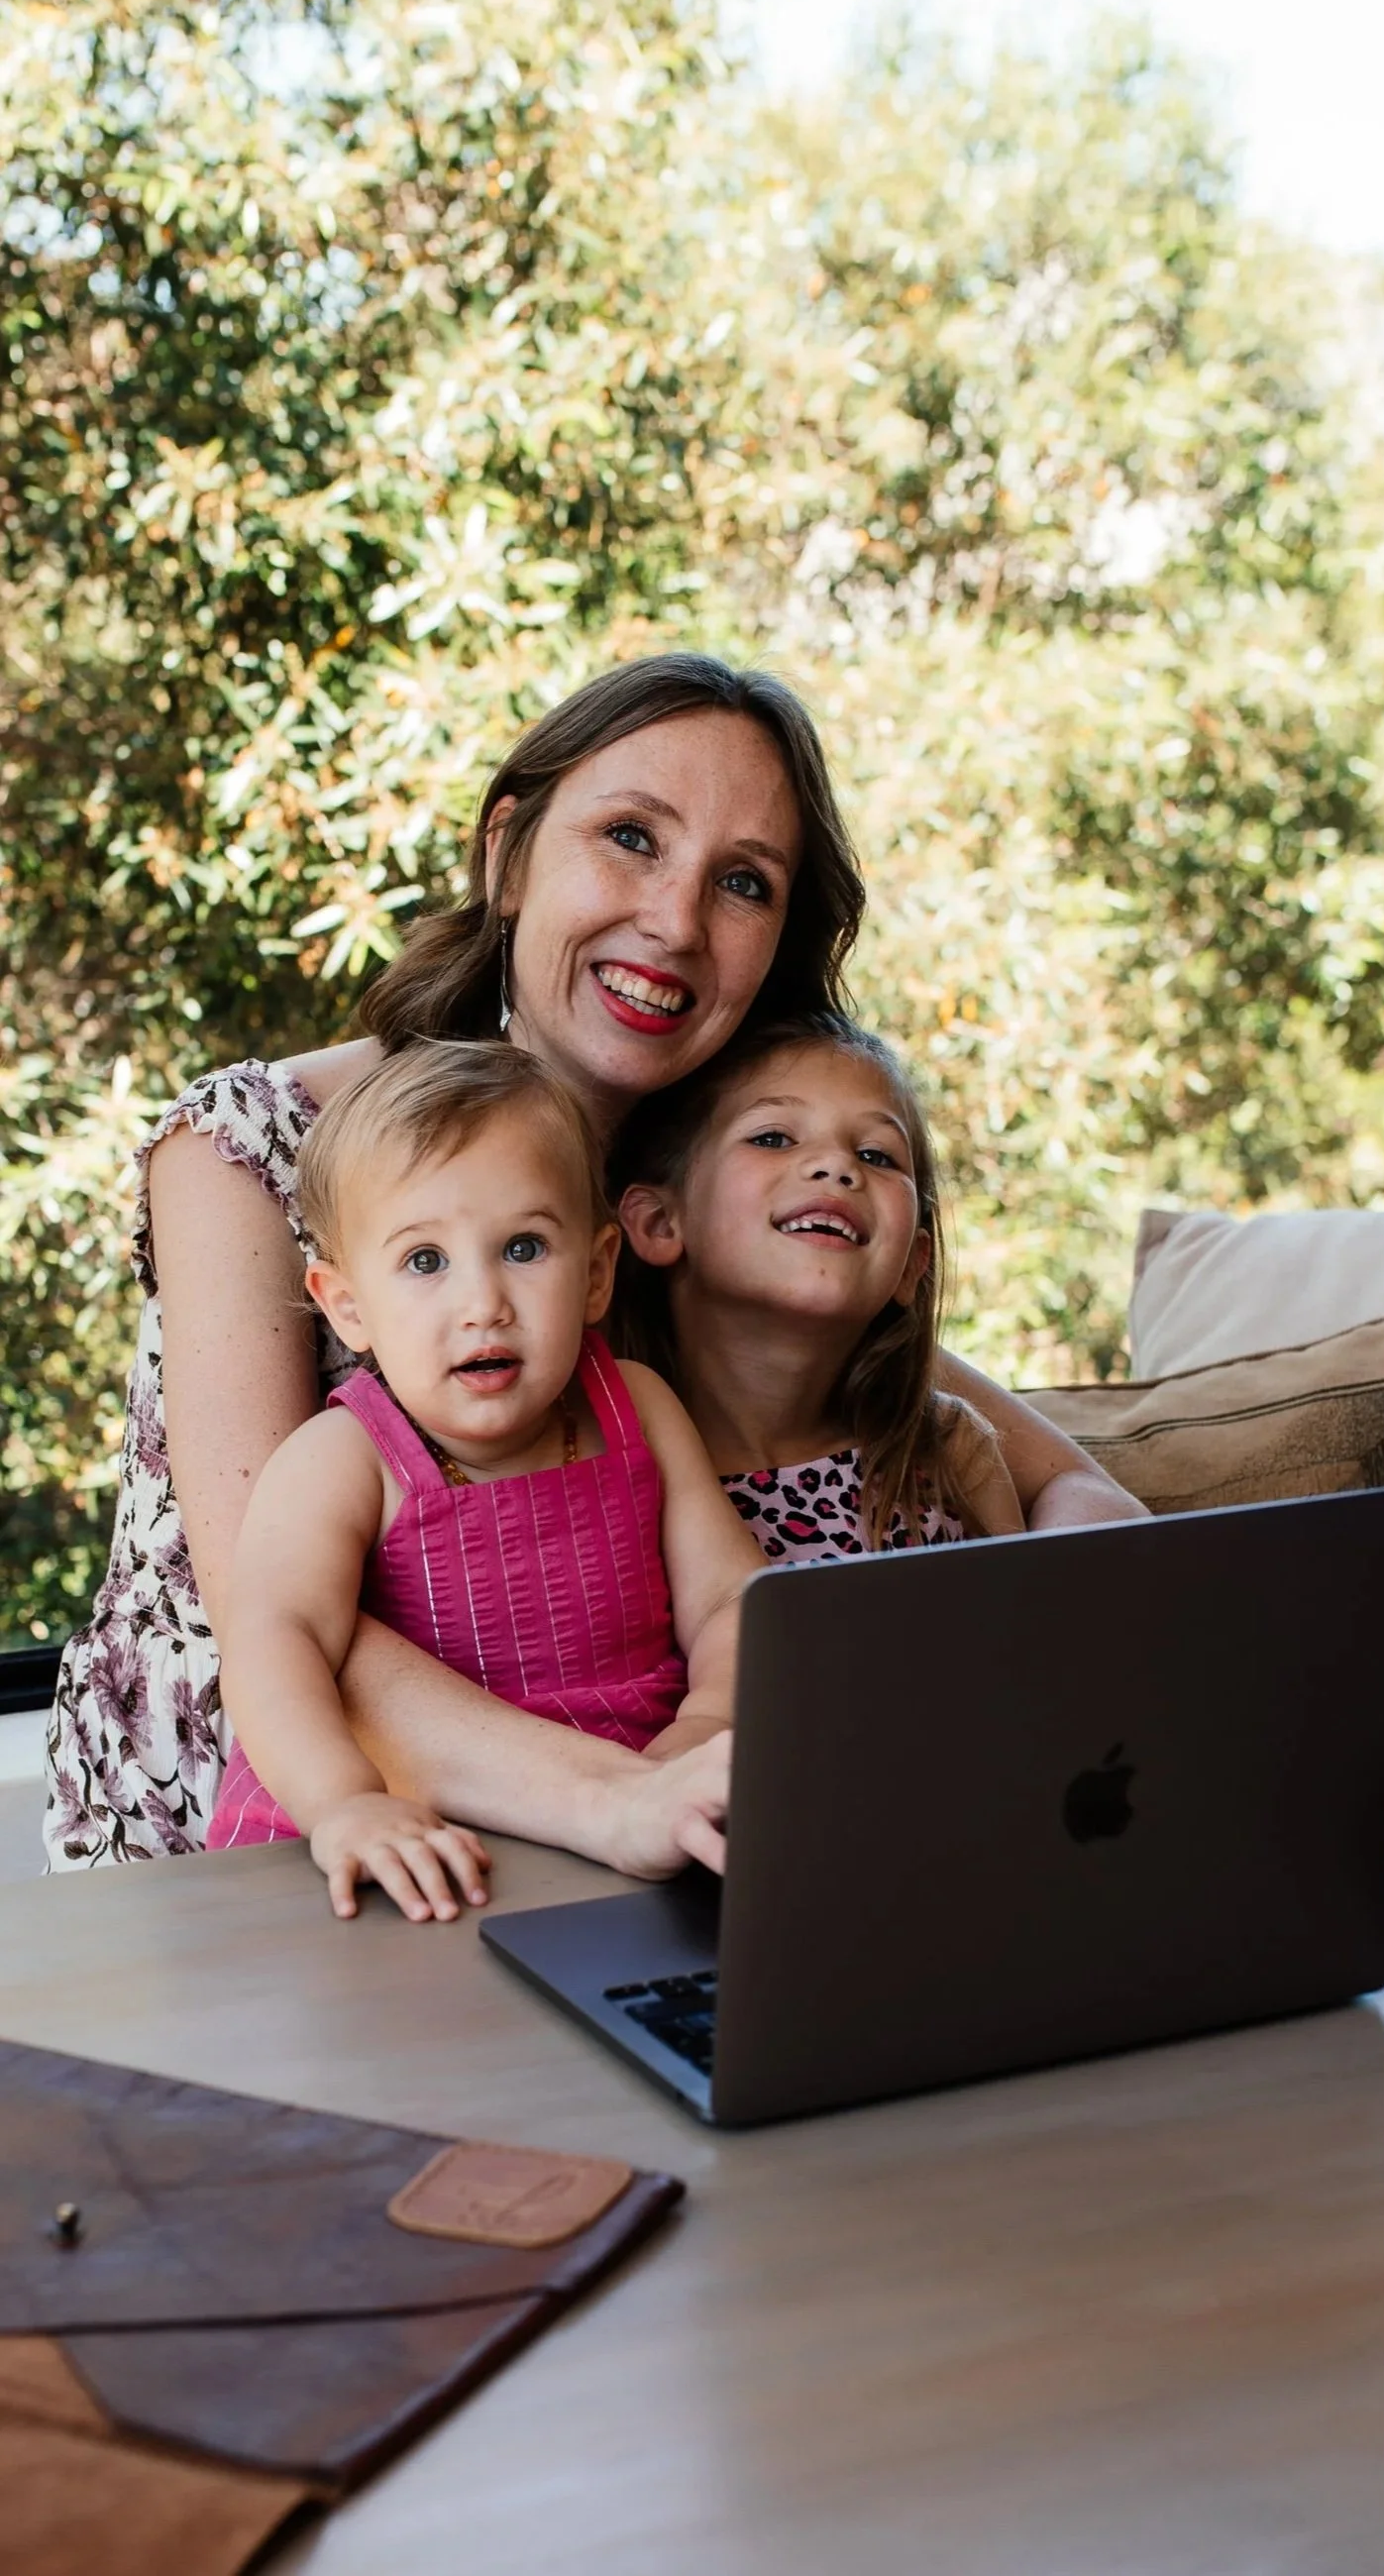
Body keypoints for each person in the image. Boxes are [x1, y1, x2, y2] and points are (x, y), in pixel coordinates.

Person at [46, 651, 1139, 1873]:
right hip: (268, 1833)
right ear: (509, 851)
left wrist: (1094, 1594)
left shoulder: (687, 1199)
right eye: (630, 837)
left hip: (616, 1811)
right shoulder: (249, 1149)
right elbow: (282, 1612)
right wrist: (631, 1801)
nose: (675, 922)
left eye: (741, 882)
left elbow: (1062, 1481)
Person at [207, 1041, 761, 1922]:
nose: (484, 1302)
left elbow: (731, 1599)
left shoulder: (640, 1410)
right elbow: (273, 1640)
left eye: (524, 1247)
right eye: (425, 1261)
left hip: (632, 1809)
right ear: (347, 1305)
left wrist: (708, 1722)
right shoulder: (342, 1459)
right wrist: (345, 1802)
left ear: (595, 1270)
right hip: (409, 1840)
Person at [616, 1011, 1028, 1558]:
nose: (837, 1165)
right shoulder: (613, 1468)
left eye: (876, 1155)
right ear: (660, 1223)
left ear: (912, 1265)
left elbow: (1027, 1638)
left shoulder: (952, 1450)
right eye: (772, 1138)